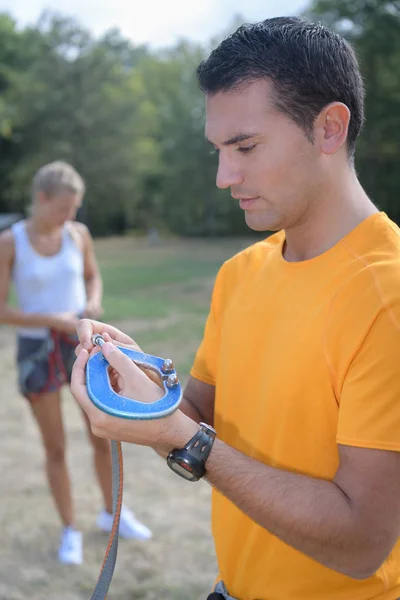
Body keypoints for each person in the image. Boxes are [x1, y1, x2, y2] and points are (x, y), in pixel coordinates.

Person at [70, 17, 400, 600]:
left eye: (245, 146)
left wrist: (181, 438)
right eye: (219, 150)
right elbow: (203, 413)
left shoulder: (387, 296)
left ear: (329, 128)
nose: (225, 176)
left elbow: (360, 541)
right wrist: (135, 384)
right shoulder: (241, 274)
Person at [0, 161, 151, 566]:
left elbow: (92, 277)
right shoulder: (10, 242)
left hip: (82, 344)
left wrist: (94, 301)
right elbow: (1, 310)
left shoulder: (79, 235)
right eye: (63, 208)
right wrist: (53, 319)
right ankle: (70, 529)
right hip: (37, 350)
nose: (69, 217)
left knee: (102, 435)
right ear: (41, 199)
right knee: (56, 447)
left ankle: (113, 514)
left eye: (75, 209)